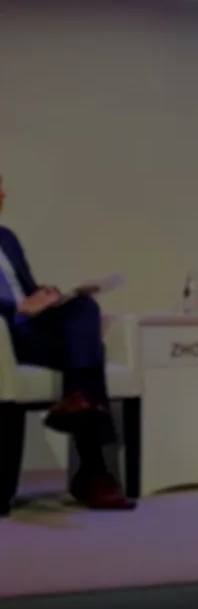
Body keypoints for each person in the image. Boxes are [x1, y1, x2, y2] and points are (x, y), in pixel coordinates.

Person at [0, 173, 135, 514]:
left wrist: (45, 296)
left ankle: (75, 402)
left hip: (29, 328)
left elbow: (25, 289)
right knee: (90, 354)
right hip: (4, 335)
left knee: (84, 308)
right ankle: (93, 472)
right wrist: (16, 307)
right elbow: (15, 302)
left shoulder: (7, 239)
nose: (3, 194)